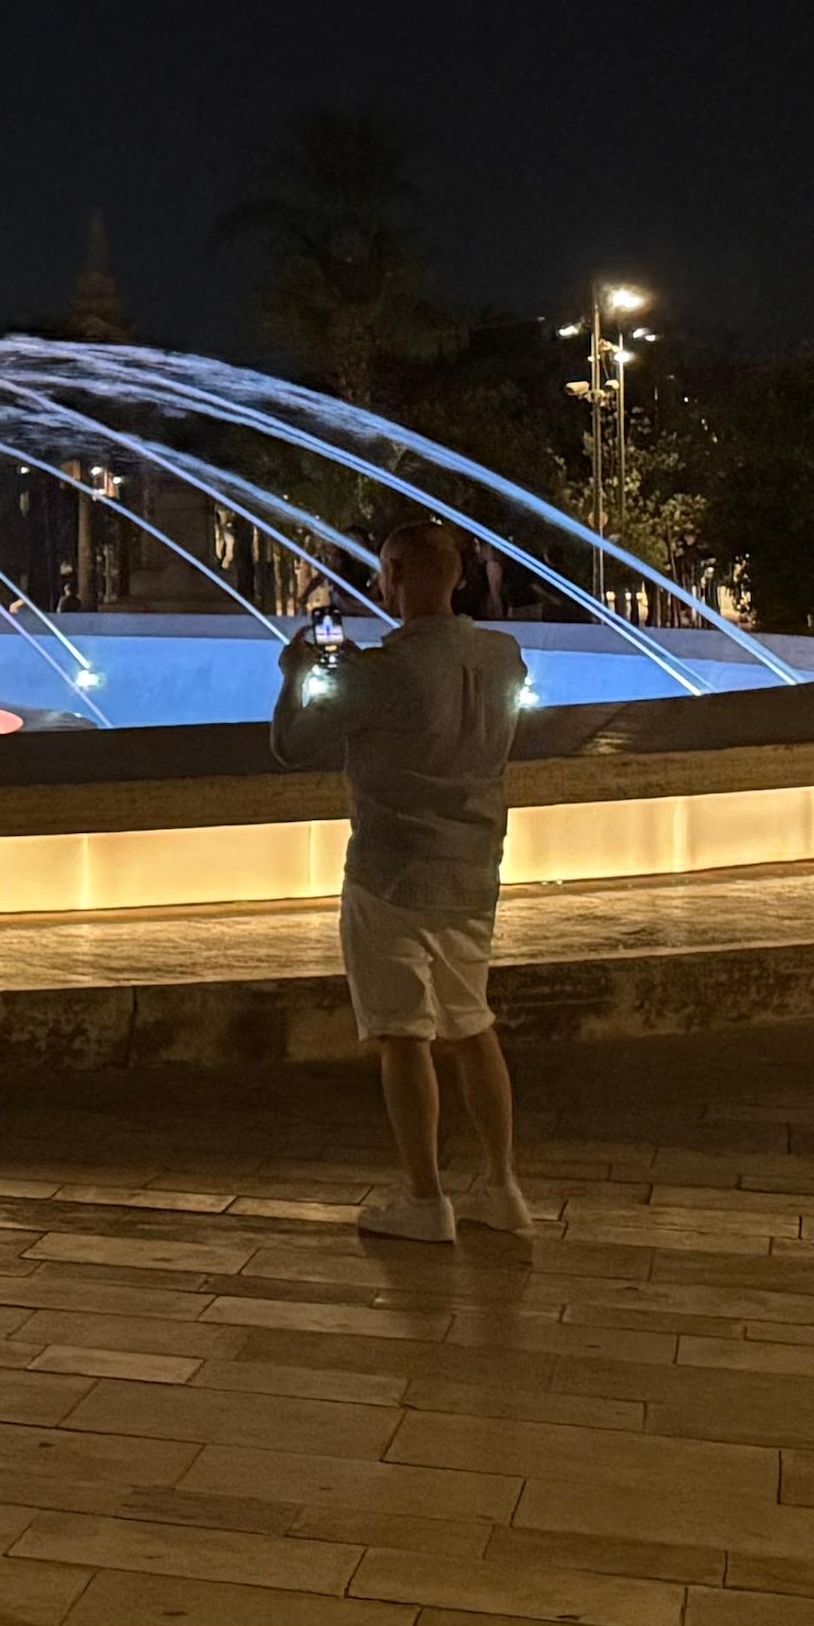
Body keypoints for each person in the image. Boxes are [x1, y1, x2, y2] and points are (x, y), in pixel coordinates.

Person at [273, 509, 534, 1244]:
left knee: (403, 1034)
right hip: (473, 868)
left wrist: (299, 675)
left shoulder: (378, 673)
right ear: (459, 577)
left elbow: (291, 745)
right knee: (473, 1023)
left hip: (390, 872)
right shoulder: (504, 657)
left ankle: (425, 1199)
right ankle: (502, 1187)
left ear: (390, 579)